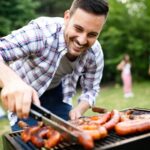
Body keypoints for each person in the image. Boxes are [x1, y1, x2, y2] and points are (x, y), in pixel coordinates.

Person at [0, 0, 109, 131]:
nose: (82, 40)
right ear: (67, 17)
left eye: (92, 34)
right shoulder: (41, 32)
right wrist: (12, 82)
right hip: (25, 95)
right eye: (78, 29)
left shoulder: (94, 53)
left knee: (69, 140)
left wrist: (79, 109)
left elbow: (91, 90)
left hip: (58, 93)